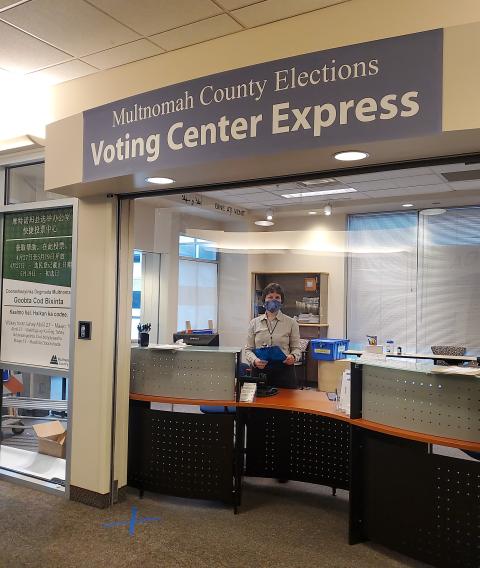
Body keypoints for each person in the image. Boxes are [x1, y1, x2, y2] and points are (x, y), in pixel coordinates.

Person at [244, 282, 301, 389]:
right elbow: (248, 350)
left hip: (284, 372)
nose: (273, 300)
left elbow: (296, 348)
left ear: (281, 301)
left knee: (285, 404)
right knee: (260, 405)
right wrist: (255, 361)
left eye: (277, 297)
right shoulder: (254, 323)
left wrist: (293, 357)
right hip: (260, 371)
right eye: (270, 297)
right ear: (264, 300)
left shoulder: (291, 323)